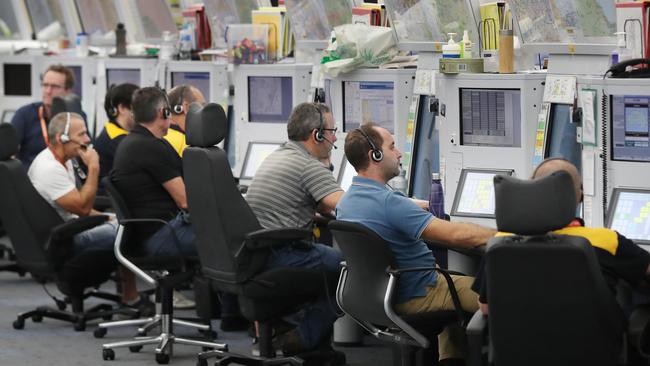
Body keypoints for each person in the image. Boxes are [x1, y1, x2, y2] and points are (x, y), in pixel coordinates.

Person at [335, 123, 496, 364]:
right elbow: (455, 235)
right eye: (392, 147)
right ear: (375, 155)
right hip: (419, 294)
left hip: (375, 296)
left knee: (447, 286)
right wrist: (505, 235)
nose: (399, 153)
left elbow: (387, 212)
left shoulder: (346, 202)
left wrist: (410, 206)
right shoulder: (390, 204)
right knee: (500, 294)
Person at [111, 87, 244, 320]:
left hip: (146, 234)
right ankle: (233, 316)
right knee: (237, 243)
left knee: (229, 235)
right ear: (163, 112)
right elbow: (185, 201)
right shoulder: (151, 147)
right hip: (161, 235)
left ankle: (231, 314)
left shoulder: (133, 142)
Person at [472, 157, 650, 315]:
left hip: (514, 352)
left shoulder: (501, 242)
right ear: (579, 196)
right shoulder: (605, 240)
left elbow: (486, 308)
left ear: (532, 192)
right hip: (593, 350)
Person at [245, 102, 345, 355]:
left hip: (255, 255)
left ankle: (299, 336)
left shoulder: (279, 155)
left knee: (329, 260)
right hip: (280, 254)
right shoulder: (307, 165)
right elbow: (349, 206)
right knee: (353, 270)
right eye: (332, 131)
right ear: (317, 135)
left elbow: (323, 207)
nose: (335, 138)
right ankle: (302, 337)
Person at [28, 112, 116, 255]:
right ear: (61, 138)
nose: (87, 139)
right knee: (122, 232)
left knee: (122, 224)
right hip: (64, 239)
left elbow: (78, 208)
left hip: (71, 227)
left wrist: (108, 217)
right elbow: (83, 209)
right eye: (81, 135)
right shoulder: (50, 168)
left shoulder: (65, 159)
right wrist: (94, 167)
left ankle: (127, 278)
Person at [11, 64, 77, 167]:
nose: (48, 91)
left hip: (63, 175)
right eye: (45, 85)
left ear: (67, 91)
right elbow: (8, 153)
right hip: (31, 179)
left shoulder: (75, 117)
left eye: (55, 87)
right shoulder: (24, 115)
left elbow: (84, 149)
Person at [94, 83, 139, 183]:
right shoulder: (117, 139)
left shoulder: (112, 131)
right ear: (122, 108)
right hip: (110, 197)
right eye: (138, 107)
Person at [164, 85, 206, 157]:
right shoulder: (186, 144)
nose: (204, 112)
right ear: (186, 107)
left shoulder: (158, 135)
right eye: (202, 106)